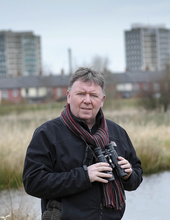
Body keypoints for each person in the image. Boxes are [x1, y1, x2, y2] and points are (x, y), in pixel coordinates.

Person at [23, 67, 143, 220]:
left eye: (93, 95)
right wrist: (84, 176)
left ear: (102, 100)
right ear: (68, 96)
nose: (87, 100)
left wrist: (129, 174)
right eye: (80, 94)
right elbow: (33, 182)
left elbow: (136, 178)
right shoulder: (47, 133)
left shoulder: (117, 133)